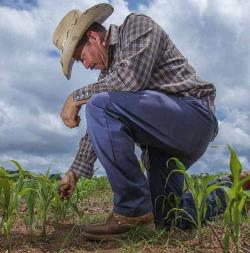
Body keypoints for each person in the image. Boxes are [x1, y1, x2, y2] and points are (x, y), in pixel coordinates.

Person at [52, 3, 249, 240]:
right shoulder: (107, 80)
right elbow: (100, 124)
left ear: (93, 37)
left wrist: (75, 98)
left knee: (98, 103)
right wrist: (74, 172)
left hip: (193, 116)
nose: (85, 65)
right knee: (166, 216)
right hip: (161, 146)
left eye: (81, 57)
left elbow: (129, 80)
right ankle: (234, 189)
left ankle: (131, 212)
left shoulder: (136, 27)